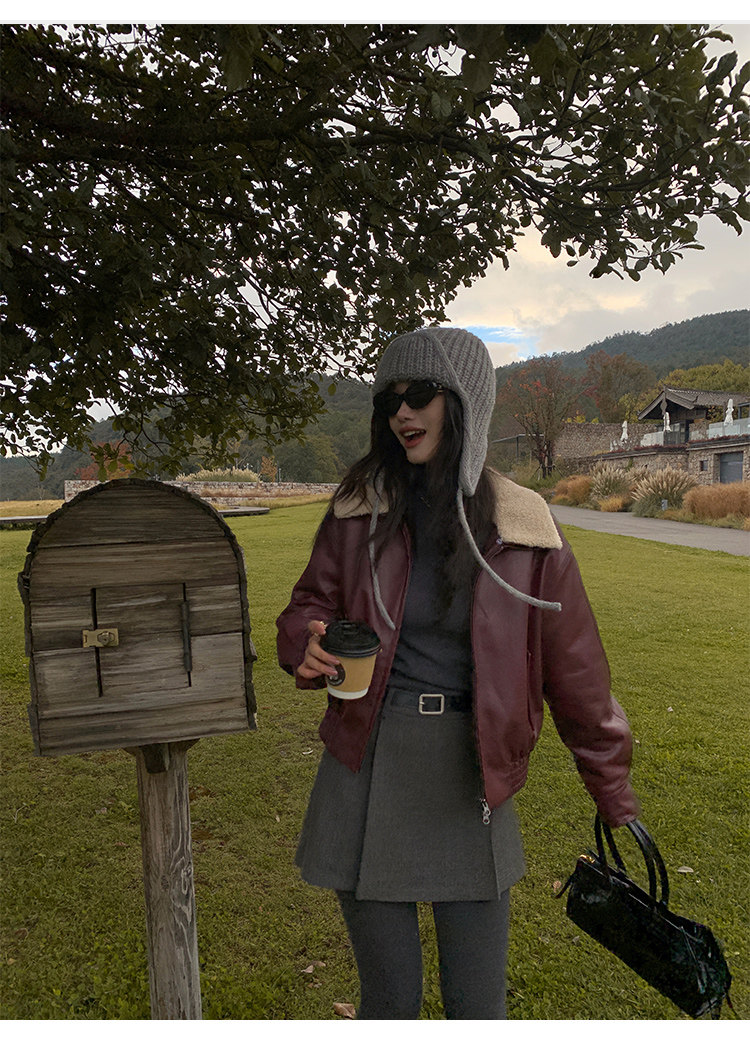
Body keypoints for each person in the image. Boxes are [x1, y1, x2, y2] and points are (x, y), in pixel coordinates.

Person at [276, 327, 639, 1020]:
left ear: (466, 400)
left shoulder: (526, 528)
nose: (402, 413)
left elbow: (579, 676)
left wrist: (613, 792)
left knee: (478, 1008)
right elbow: (307, 606)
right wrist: (306, 643)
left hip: (472, 771)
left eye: (421, 394)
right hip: (368, 763)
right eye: (390, 400)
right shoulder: (358, 509)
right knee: (389, 1003)